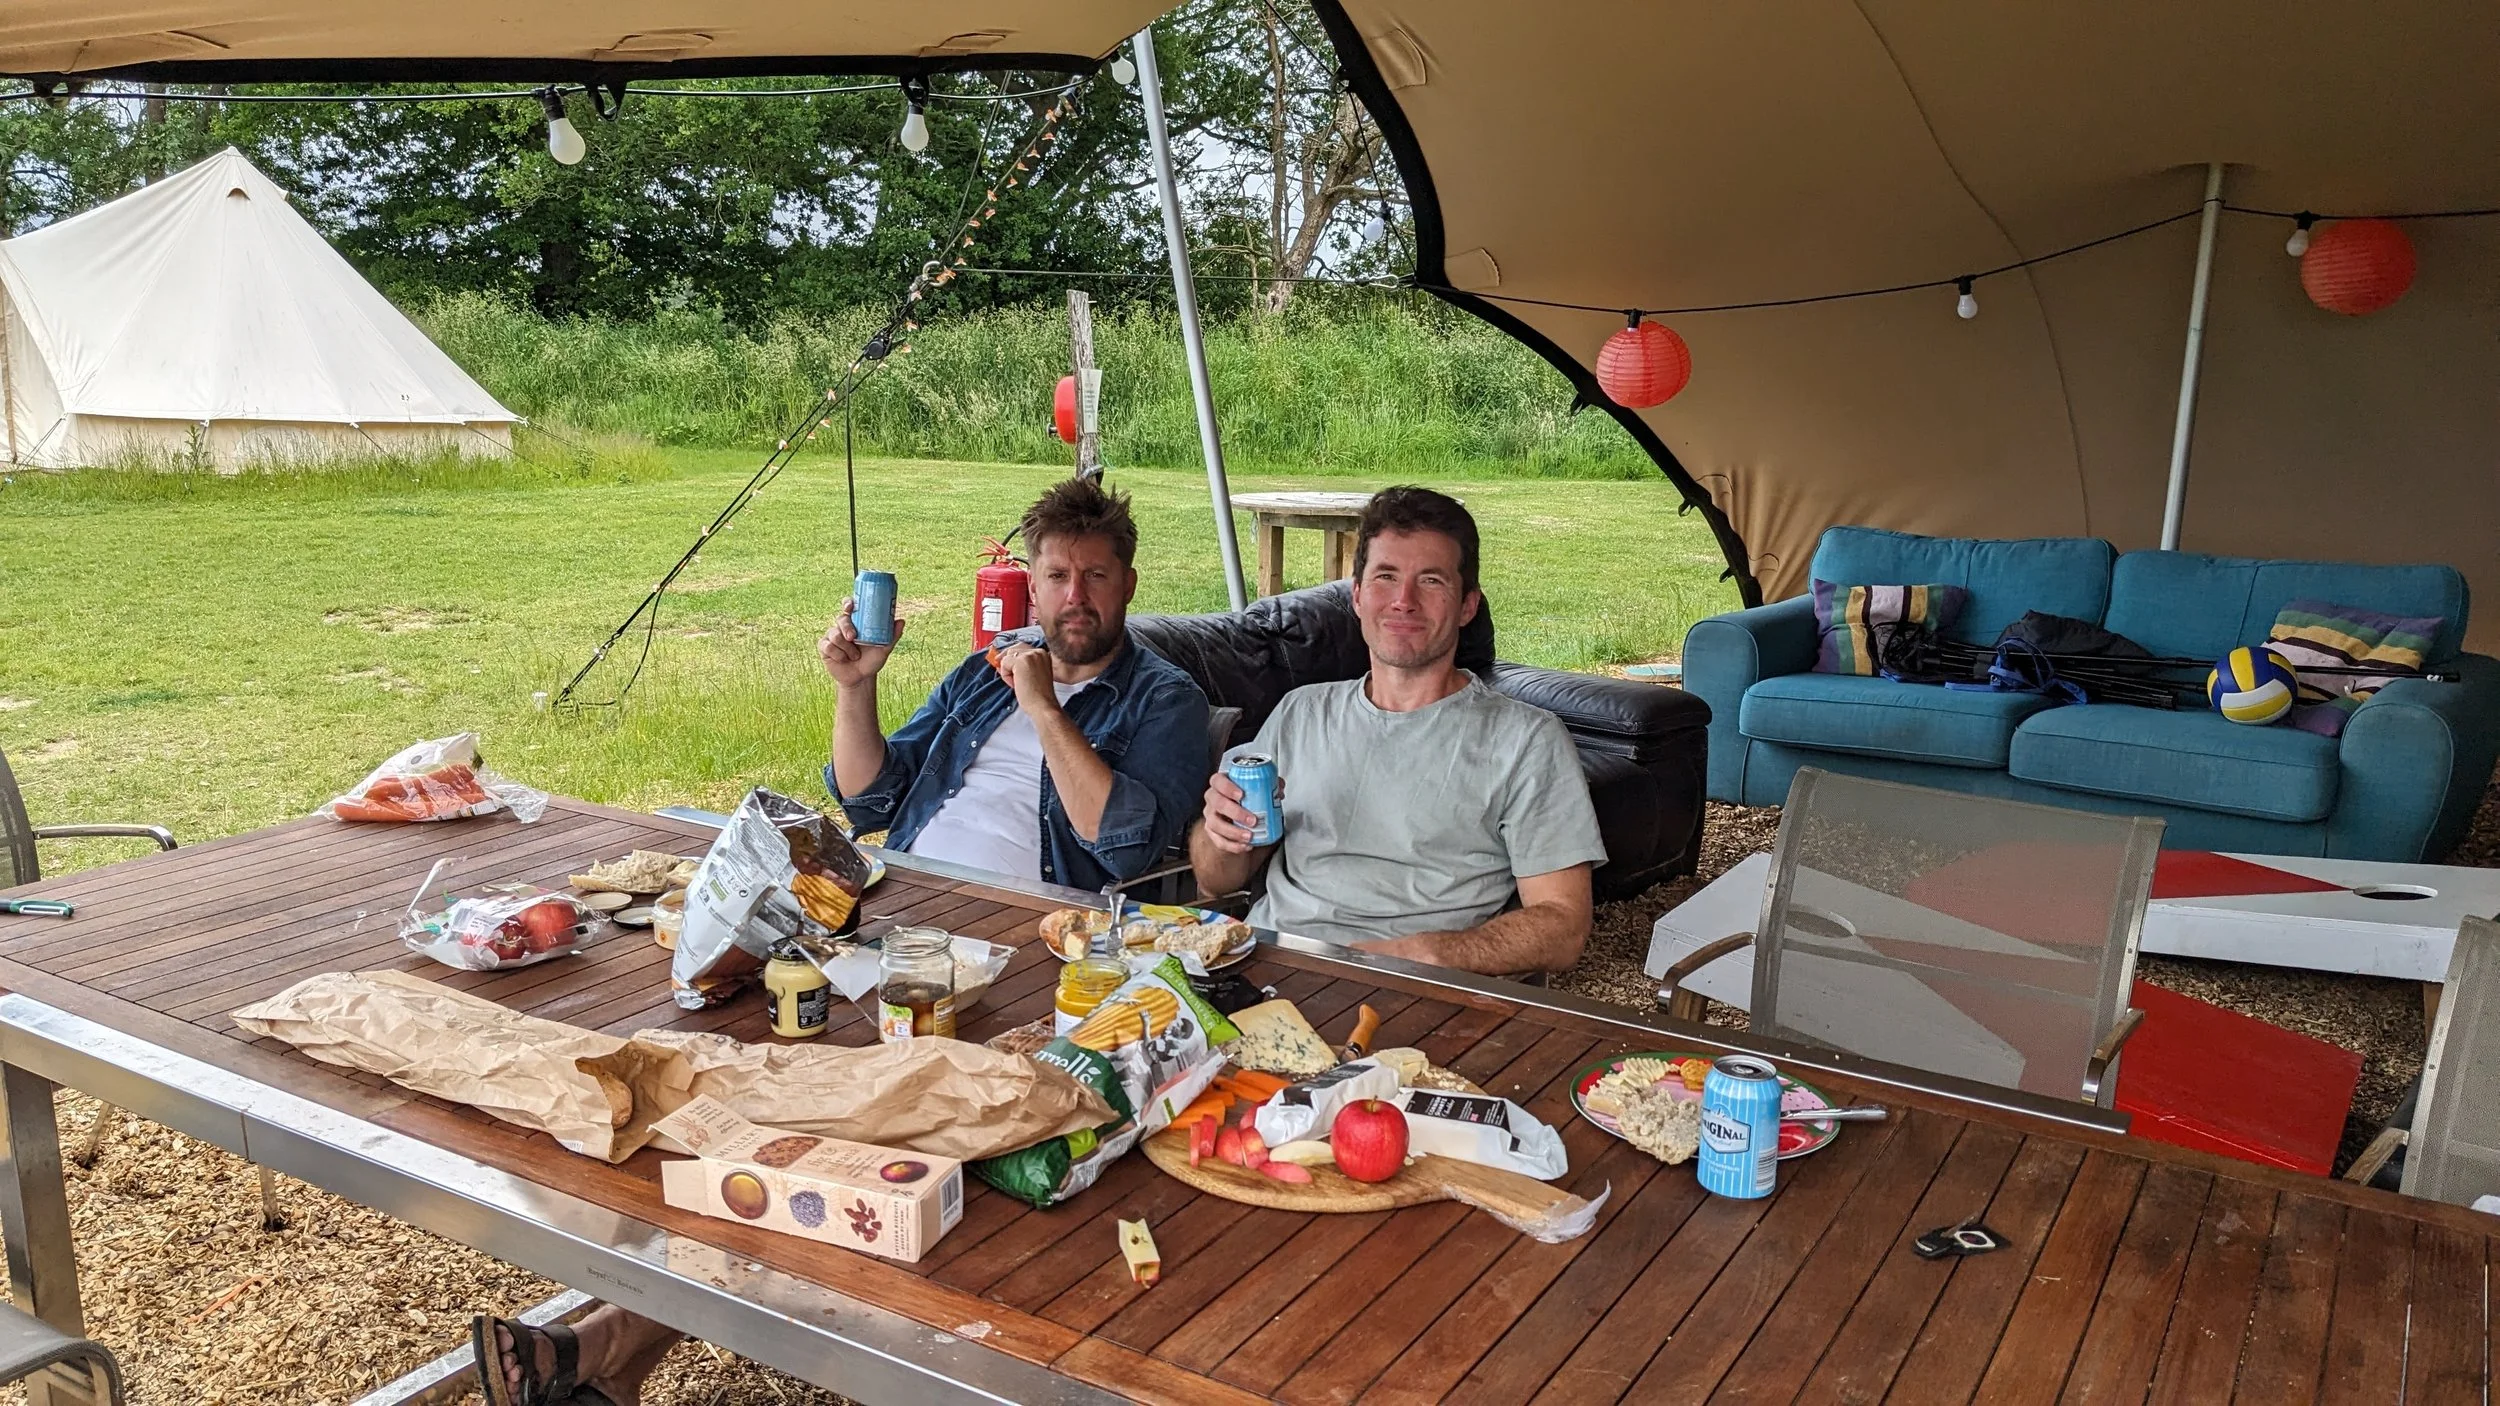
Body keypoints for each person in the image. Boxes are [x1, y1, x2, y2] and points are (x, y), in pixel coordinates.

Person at [1188, 486, 1605, 975]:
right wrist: (1221, 835)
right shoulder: (1301, 712)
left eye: (1430, 581)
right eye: (1386, 576)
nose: (1403, 601)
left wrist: (1431, 955)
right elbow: (1216, 883)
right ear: (1358, 596)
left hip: (1415, 989)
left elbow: (1563, 926)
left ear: (1468, 605)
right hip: (1272, 965)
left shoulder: (1525, 740)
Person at [819, 474, 1211, 891]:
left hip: (1034, 923)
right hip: (910, 890)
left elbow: (1125, 849)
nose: (1075, 595)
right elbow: (869, 800)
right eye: (1057, 576)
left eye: (1095, 575)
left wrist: (1043, 707)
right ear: (1033, 589)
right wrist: (855, 686)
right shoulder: (983, 673)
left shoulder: (1166, 701)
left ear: (1127, 586)